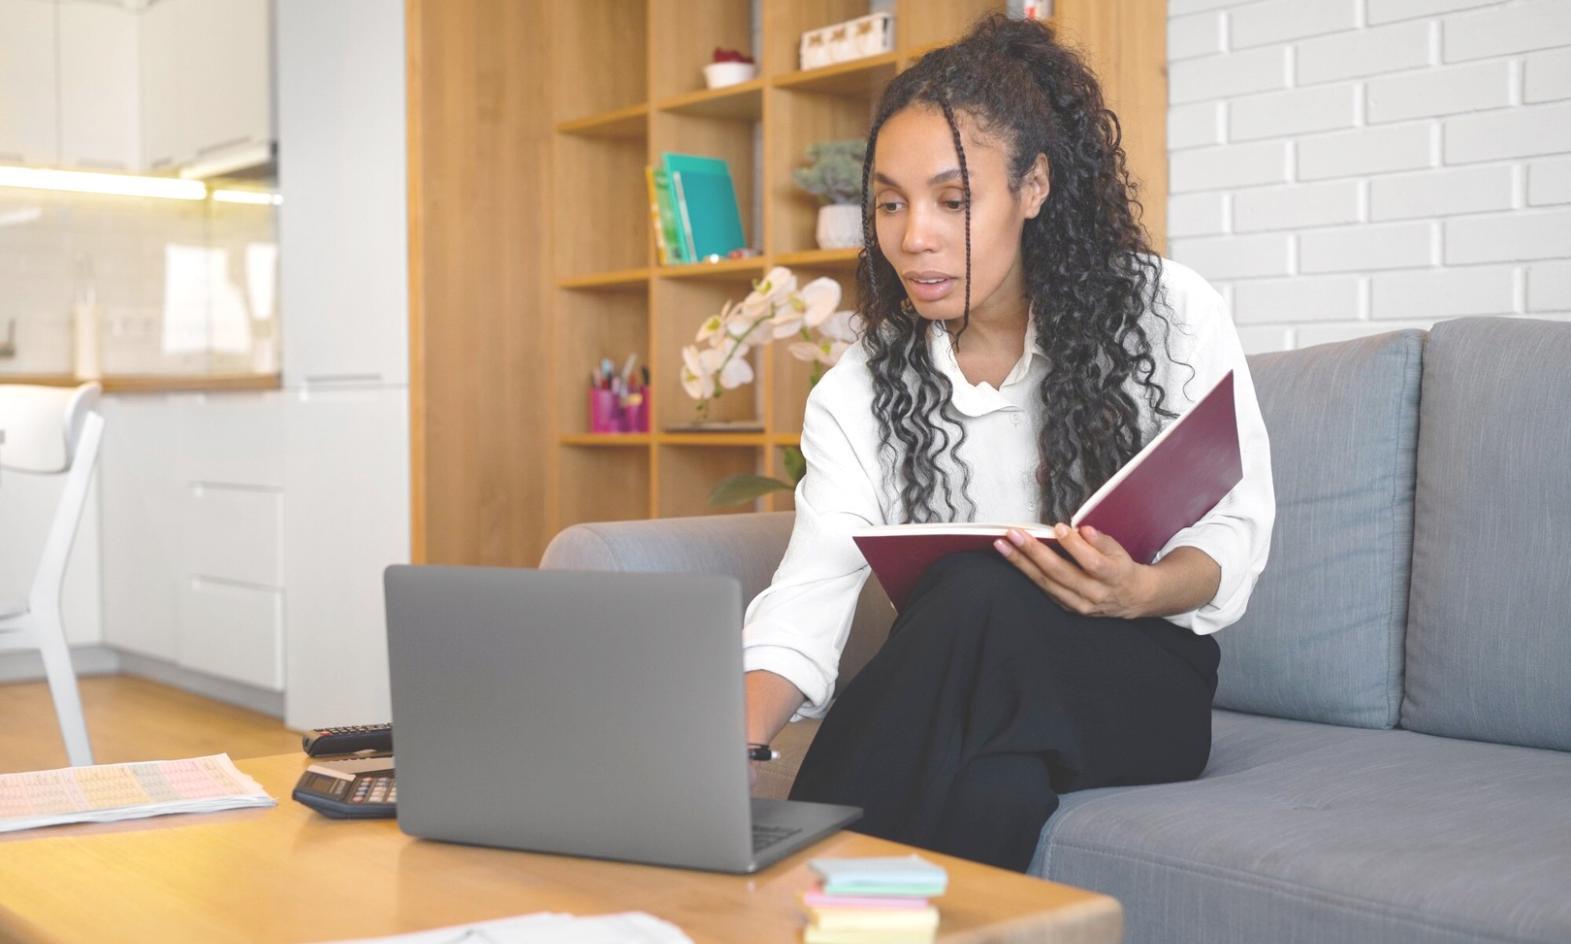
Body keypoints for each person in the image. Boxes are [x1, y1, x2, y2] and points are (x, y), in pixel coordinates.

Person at [739, 14, 1276, 874]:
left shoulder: (1165, 311)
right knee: (992, 787)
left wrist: (1136, 590)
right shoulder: (863, 382)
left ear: (1033, 187)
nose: (913, 234)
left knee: (972, 587)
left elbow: (1234, 534)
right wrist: (733, 739)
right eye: (889, 202)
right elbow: (810, 592)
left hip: (1142, 684)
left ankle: (770, 887)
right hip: (979, 690)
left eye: (952, 201)